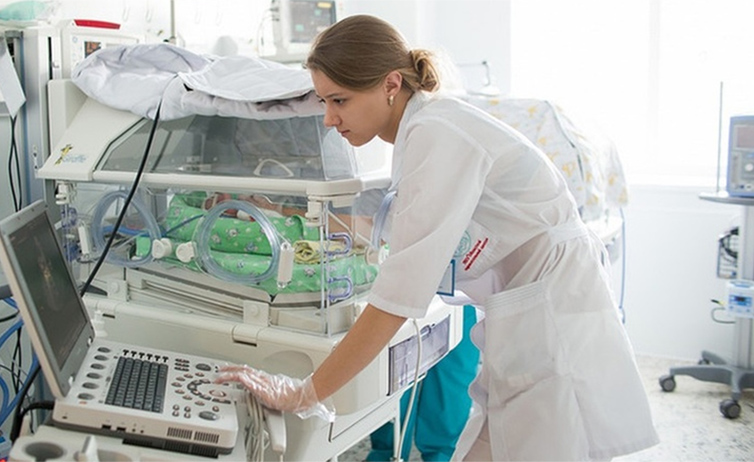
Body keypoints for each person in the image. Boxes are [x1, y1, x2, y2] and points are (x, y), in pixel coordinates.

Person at [217, 14, 659, 461]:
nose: (330, 119)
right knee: (503, 439)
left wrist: (305, 392)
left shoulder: (437, 131)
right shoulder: (422, 130)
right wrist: (279, 211)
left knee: (539, 439)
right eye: (324, 102)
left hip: (552, 307)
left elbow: (397, 295)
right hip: (530, 303)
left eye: (340, 100)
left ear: (391, 84)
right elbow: (387, 228)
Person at [367, 305, 480, 462]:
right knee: (396, 371)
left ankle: (440, 456)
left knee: (451, 374)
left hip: (457, 299)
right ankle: (389, 453)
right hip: (404, 300)